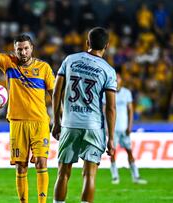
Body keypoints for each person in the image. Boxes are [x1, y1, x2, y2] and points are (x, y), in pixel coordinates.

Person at [0, 34, 55, 203]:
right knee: (21, 167)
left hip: (40, 122)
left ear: (32, 49)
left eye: (26, 48)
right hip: (17, 122)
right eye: (19, 49)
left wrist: (59, 117)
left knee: (41, 163)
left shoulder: (43, 68)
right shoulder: (9, 63)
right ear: (15, 50)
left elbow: (54, 94)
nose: (23, 52)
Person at [51, 27, 116, 203]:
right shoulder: (108, 71)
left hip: (69, 123)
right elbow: (110, 107)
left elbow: (57, 91)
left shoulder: (70, 60)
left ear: (87, 43)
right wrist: (111, 138)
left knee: (63, 173)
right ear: (106, 46)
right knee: (90, 174)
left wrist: (56, 121)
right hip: (94, 126)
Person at [107, 72, 147, 185]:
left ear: (121, 80)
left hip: (124, 128)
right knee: (112, 152)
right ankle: (115, 177)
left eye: (118, 79)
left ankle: (136, 176)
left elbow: (130, 111)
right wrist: (107, 127)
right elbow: (105, 110)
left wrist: (130, 126)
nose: (116, 81)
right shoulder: (108, 92)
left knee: (129, 151)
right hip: (113, 129)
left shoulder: (126, 93)